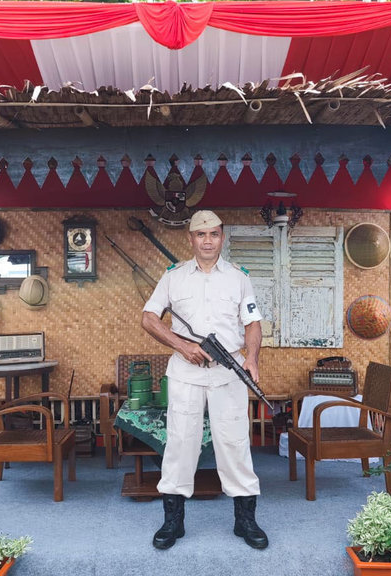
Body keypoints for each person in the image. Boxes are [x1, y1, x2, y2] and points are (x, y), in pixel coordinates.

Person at [141, 210, 268, 551]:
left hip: (229, 372)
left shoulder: (239, 277)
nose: (208, 241)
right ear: (191, 239)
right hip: (186, 374)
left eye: (213, 234)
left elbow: (252, 323)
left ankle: (245, 520)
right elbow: (149, 318)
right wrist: (182, 346)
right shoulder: (174, 277)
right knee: (180, 443)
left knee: (235, 443)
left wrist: (252, 359)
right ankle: (173, 522)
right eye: (201, 234)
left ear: (222, 237)